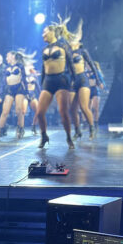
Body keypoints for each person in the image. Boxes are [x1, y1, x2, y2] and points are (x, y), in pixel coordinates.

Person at [36, 18, 76, 149]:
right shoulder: (44, 49)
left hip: (61, 80)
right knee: (39, 112)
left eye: (45, 32)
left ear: (52, 32)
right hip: (48, 81)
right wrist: (42, 84)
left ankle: (69, 137)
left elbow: (70, 64)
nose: (43, 35)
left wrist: (73, 81)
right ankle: (44, 136)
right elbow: (43, 68)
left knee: (63, 112)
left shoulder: (63, 45)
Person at [65, 21, 100, 140]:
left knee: (84, 107)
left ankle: (91, 129)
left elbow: (92, 65)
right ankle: (77, 131)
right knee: (72, 109)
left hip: (83, 79)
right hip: (72, 81)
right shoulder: (67, 53)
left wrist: (98, 80)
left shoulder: (82, 51)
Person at [0, 50, 33, 140]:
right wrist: (0, 95)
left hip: (19, 90)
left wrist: (27, 93)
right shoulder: (6, 68)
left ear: (13, 56)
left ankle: (20, 129)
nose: (6, 58)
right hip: (9, 90)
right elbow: (3, 82)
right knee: (5, 111)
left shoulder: (20, 66)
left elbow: (24, 80)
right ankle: (0, 131)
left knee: (19, 110)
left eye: (7, 56)